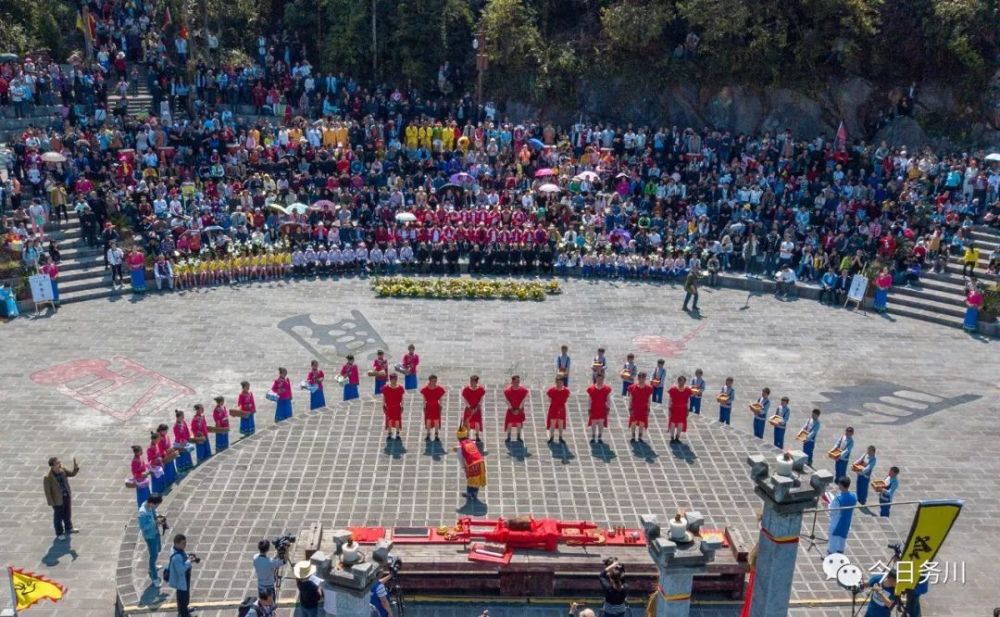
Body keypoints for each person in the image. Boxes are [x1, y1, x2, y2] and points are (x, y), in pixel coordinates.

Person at [43, 456, 80, 540]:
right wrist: (52, 503)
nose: (59, 464)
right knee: (58, 516)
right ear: (52, 466)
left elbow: (71, 474)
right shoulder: (47, 477)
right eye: (57, 463)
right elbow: (48, 492)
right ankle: (59, 533)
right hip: (57, 500)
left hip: (66, 495)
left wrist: (75, 468)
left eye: (59, 462)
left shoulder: (62, 469)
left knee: (67, 512)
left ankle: (69, 527)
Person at [167, 533, 197, 617]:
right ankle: (184, 614)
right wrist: (189, 561)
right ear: (177, 543)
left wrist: (188, 557)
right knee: (183, 598)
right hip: (181, 579)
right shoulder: (176, 557)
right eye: (183, 543)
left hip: (184, 578)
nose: (185, 545)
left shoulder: (177, 550)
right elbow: (181, 570)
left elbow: (183, 557)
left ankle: (183, 610)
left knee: (184, 596)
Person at [137, 494, 163, 588]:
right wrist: (154, 523)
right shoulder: (142, 513)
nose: (156, 507)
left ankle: (152, 567)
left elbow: (154, 514)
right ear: (152, 503)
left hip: (155, 532)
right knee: (153, 556)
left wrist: (158, 518)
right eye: (156, 505)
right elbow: (143, 527)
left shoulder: (150, 507)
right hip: (150, 536)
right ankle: (154, 577)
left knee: (158, 549)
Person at [455, 426, 486, 503]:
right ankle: (475, 494)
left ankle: (469, 494)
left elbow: (460, 458)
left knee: (471, 479)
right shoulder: (472, 441)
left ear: (458, 438)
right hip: (480, 462)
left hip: (472, 464)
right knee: (477, 479)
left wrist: (463, 466)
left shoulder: (460, 447)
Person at [826, 476, 857, 555]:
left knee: (833, 542)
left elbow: (832, 511)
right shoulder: (854, 496)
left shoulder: (838, 499)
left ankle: (830, 558)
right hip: (847, 522)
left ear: (842, 485)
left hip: (837, 523)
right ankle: (840, 555)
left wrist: (828, 504)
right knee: (842, 540)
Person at [627, 372, 653, 443]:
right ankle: (633, 437)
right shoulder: (633, 387)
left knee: (642, 423)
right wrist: (630, 408)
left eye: (643, 378)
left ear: (645, 379)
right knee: (633, 422)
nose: (641, 379)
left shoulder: (648, 388)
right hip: (635, 407)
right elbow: (631, 398)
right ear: (638, 378)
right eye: (640, 378)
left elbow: (649, 399)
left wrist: (648, 408)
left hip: (643, 408)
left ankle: (640, 437)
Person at [420, 374, 446, 441]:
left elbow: (440, 398)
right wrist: (424, 406)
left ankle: (436, 434)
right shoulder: (425, 389)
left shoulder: (439, 389)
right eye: (433, 381)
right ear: (430, 381)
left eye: (435, 381)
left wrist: (441, 405)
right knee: (428, 421)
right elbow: (424, 398)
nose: (434, 382)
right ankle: (428, 434)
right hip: (428, 406)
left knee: (436, 421)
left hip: (436, 406)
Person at [666, 375, 692, 443]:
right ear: (678, 381)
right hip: (674, 409)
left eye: (683, 382)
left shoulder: (687, 390)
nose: (681, 383)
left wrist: (688, 409)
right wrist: (669, 409)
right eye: (680, 382)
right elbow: (670, 400)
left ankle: (677, 437)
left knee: (680, 423)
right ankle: (672, 437)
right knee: (673, 423)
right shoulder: (673, 389)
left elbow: (688, 400)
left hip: (682, 409)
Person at [503, 375, 529, 443]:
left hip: (519, 409)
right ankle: (508, 437)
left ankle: (518, 437)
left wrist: (519, 409)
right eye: (515, 382)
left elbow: (523, 400)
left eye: (518, 382)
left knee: (519, 423)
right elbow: (506, 400)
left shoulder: (523, 390)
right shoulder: (507, 391)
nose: (517, 383)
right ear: (512, 382)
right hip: (511, 410)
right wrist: (512, 409)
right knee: (509, 423)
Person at [586, 374, 612, 443]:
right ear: (596, 379)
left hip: (602, 408)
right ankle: (593, 437)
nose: (599, 380)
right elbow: (589, 400)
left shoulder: (606, 389)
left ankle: (600, 437)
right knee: (593, 423)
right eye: (598, 379)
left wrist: (608, 408)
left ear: (603, 379)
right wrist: (589, 409)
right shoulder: (591, 388)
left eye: (601, 379)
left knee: (601, 423)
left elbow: (608, 399)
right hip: (594, 408)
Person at [461, 375, 487, 441]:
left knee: (477, 422)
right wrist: (469, 407)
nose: (471, 382)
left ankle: (477, 435)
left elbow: (481, 399)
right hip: (468, 408)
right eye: (471, 381)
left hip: (477, 409)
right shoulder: (466, 389)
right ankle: (468, 435)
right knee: (468, 422)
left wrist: (477, 407)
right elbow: (465, 399)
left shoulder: (480, 389)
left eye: (473, 381)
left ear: (476, 382)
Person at [546, 376, 571, 443]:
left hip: (561, 408)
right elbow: (550, 399)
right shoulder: (552, 390)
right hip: (553, 408)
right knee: (552, 423)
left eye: (561, 382)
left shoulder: (566, 391)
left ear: (563, 383)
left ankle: (560, 437)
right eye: (558, 382)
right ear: (556, 382)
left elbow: (565, 399)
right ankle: (551, 437)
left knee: (561, 423)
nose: (559, 384)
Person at [382, 373, 405, 441]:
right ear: (390, 379)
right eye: (392, 379)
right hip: (389, 407)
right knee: (389, 420)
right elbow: (384, 397)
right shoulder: (386, 388)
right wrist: (383, 406)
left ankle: (397, 434)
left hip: (397, 407)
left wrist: (402, 406)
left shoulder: (400, 388)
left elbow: (402, 398)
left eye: (395, 379)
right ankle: (389, 433)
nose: (394, 381)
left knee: (397, 421)